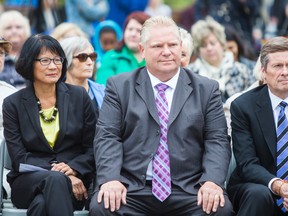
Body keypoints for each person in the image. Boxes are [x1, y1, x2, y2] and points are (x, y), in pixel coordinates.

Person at [90, 16, 233, 216]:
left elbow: (217, 139)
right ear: (142, 51)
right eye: (158, 46)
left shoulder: (206, 89)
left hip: (189, 188)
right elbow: (108, 136)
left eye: (172, 45)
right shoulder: (119, 86)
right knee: (103, 207)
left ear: (181, 46)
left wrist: (211, 181)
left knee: (220, 210)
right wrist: (111, 179)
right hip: (133, 187)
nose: (167, 52)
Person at [2, 34, 96, 216]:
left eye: (57, 59)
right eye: (45, 60)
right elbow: (19, 157)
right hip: (28, 182)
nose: (53, 66)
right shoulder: (13, 104)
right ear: (30, 63)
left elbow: (93, 146)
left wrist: (74, 169)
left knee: (41, 205)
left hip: (75, 183)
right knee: (56, 180)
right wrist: (63, 174)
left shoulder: (79, 97)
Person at [227, 36, 288, 215]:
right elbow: (247, 163)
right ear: (263, 72)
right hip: (258, 184)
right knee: (258, 194)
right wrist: (280, 186)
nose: (285, 72)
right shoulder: (243, 106)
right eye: (278, 66)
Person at [187, 17, 255, 102]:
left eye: (212, 43)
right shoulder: (190, 74)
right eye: (203, 45)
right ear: (198, 50)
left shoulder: (242, 71)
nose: (209, 48)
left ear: (222, 43)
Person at [96, 11, 150, 85]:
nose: (133, 34)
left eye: (139, 30)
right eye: (130, 29)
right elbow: (103, 88)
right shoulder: (111, 57)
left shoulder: (154, 58)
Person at [60, 36, 105, 112]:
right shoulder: (54, 94)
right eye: (82, 57)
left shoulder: (103, 91)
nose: (90, 62)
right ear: (66, 61)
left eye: (92, 56)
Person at [0, 10, 31, 89]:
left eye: (18, 27)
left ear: (26, 30)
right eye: (8, 28)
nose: (14, 31)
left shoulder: (33, 55)